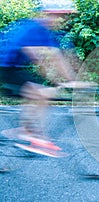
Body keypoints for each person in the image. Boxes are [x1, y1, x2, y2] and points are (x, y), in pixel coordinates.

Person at [0, 0, 79, 157]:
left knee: (42, 94)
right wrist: (64, 82)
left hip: (13, 67)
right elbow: (40, 60)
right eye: (61, 16)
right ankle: (31, 135)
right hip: (5, 67)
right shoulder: (34, 28)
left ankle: (25, 132)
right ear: (50, 14)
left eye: (65, 17)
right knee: (40, 94)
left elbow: (59, 57)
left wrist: (72, 80)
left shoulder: (45, 31)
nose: (63, 21)